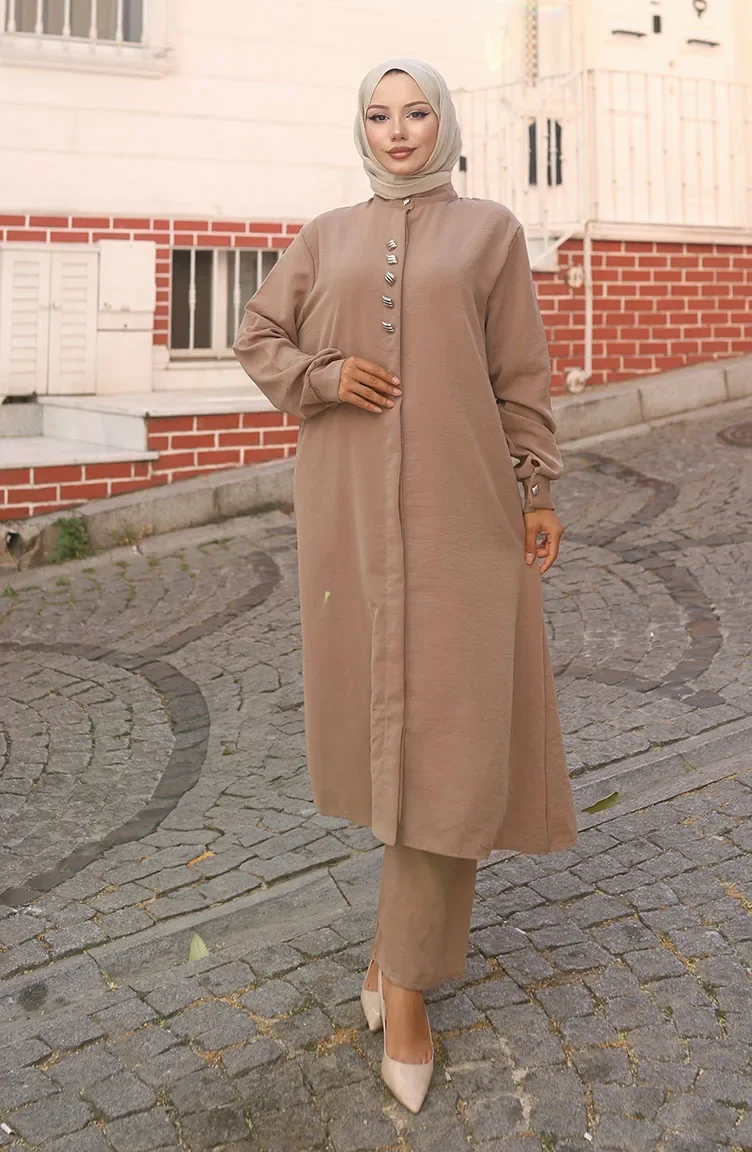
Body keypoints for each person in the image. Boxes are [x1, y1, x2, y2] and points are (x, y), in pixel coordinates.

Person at [233, 56, 578, 1114]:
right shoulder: (326, 236)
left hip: (463, 514)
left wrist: (536, 487)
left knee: (453, 742)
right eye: (379, 115)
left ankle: (407, 985)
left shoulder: (488, 233)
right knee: (389, 734)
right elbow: (257, 336)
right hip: (349, 523)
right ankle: (397, 958)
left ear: (443, 122)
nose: (397, 130)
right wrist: (325, 377)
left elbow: (519, 371)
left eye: (415, 112)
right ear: (362, 128)